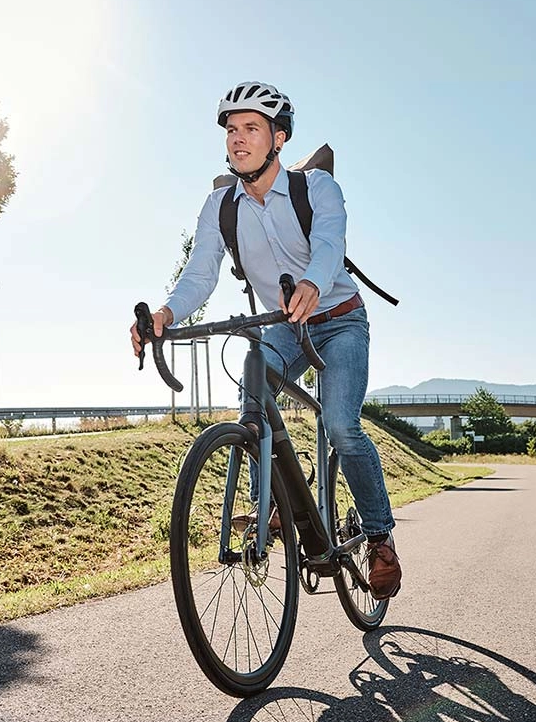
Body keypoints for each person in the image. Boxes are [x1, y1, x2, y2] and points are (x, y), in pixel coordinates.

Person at [130, 81, 402, 599]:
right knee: (251, 405)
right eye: (232, 130)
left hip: (338, 319)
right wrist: (166, 311)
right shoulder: (219, 205)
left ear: (278, 138)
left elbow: (328, 245)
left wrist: (312, 283)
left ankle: (379, 536)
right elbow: (200, 273)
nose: (238, 139)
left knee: (341, 425)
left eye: (251, 128)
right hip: (281, 325)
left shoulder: (316, 188)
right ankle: (275, 498)